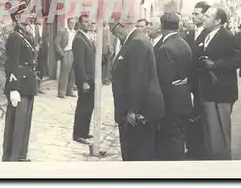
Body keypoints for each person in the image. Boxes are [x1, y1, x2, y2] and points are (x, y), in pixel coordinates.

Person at [109, 13, 165, 161]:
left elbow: (137, 78)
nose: (113, 33)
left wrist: (132, 110)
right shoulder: (136, 39)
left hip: (138, 113)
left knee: (136, 153)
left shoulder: (136, 42)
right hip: (137, 109)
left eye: (113, 29)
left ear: (121, 26)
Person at [198, 7, 241, 160]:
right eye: (204, 15)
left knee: (222, 130)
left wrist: (215, 65)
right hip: (208, 90)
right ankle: (214, 158)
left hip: (223, 92)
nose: (203, 18)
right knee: (212, 131)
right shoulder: (206, 35)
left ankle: (225, 162)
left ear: (217, 21)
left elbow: (238, 60)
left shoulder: (227, 36)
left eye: (207, 16)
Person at [1, 1, 38, 162]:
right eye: (26, 13)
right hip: (19, 86)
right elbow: (11, 64)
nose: (29, 15)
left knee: (24, 124)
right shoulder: (15, 37)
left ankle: (21, 155)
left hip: (28, 84)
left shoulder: (27, 34)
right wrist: (13, 88)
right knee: (16, 125)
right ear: (17, 17)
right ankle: (12, 158)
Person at [155, 12, 193, 161]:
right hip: (183, 97)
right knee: (178, 135)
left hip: (171, 101)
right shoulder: (184, 43)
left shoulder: (165, 48)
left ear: (162, 27)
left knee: (171, 138)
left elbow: (164, 80)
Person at [184, 1, 211, 160]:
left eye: (197, 14)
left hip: (202, 83)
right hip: (189, 83)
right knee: (190, 116)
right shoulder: (189, 34)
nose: (193, 17)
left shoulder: (208, 35)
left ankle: (201, 151)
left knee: (202, 118)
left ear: (205, 15)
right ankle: (192, 148)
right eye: (192, 14)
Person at [72, 13, 96, 144]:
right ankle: (78, 133)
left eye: (89, 22)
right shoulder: (79, 39)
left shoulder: (87, 37)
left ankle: (85, 132)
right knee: (83, 106)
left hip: (92, 78)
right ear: (80, 24)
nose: (88, 24)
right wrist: (84, 81)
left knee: (89, 106)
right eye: (85, 22)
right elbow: (79, 63)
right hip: (86, 79)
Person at [55, 17, 77, 98]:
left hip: (73, 52)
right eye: (71, 23)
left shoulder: (75, 32)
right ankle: (61, 92)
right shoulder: (63, 31)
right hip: (65, 52)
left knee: (72, 73)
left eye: (74, 23)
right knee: (64, 72)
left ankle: (69, 90)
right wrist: (61, 53)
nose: (72, 25)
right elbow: (56, 42)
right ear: (68, 23)